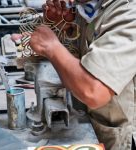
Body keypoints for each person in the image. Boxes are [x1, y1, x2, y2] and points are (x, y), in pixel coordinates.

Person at [29, 0, 136, 149]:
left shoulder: (129, 13)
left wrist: (51, 47)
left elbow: (93, 91)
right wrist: (64, 27)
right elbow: (81, 57)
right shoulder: (89, 6)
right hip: (92, 123)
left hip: (122, 136)